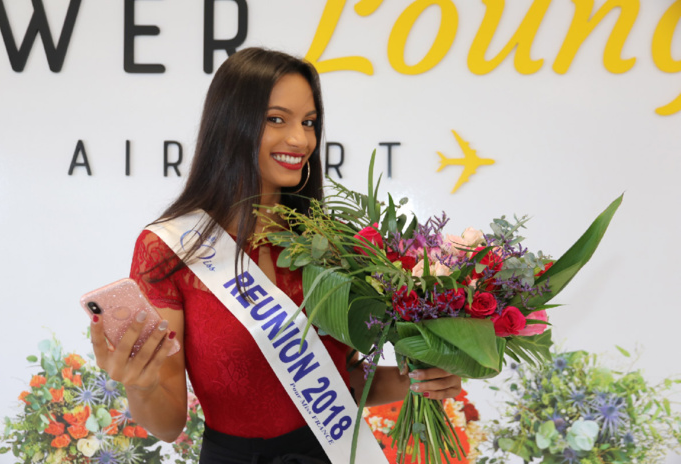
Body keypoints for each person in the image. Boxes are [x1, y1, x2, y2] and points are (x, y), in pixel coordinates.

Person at [89, 47, 461, 463]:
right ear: (231, 125)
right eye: (276, 119)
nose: (300, 139)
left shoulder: (332, 241)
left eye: (309, 122)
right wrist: (139, 384)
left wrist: (425, 378)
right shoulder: (170, 248)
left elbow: (343, 382)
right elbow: (169, 423)